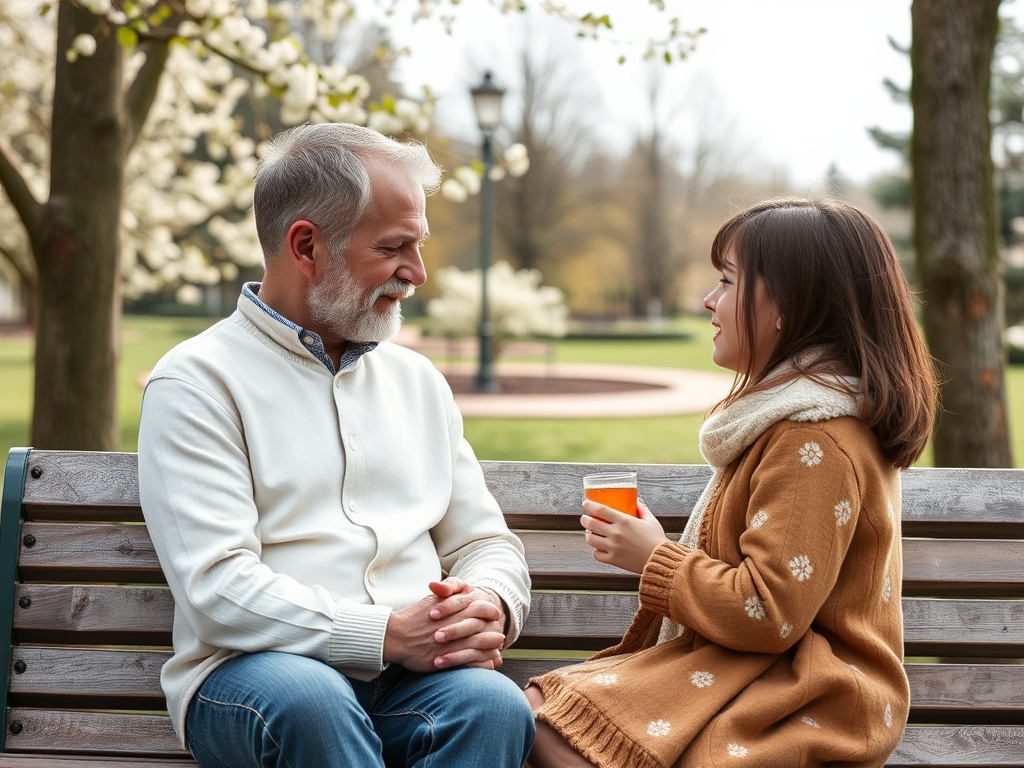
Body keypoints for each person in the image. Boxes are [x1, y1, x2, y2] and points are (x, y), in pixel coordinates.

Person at [137, 122, 535, 768]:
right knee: (314, 703)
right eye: (394, 247)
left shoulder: (417, 383)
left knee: (493, 705)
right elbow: (216, 588)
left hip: (412, 683)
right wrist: (383, 634)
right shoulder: (196, 382)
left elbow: (484, 542)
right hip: (254, 679)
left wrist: (488, 602)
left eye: (419, 245)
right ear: (306, 247)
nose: (419, 273)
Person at [524, 196, 938, 768]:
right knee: (538, 706)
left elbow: (769, 612)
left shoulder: (813, 439)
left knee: (544, 726)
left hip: (805, 696)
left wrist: (657, 560)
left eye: (727, 281)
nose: (708, 301)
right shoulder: (797, 420)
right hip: (755, 670)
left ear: (786, 307)